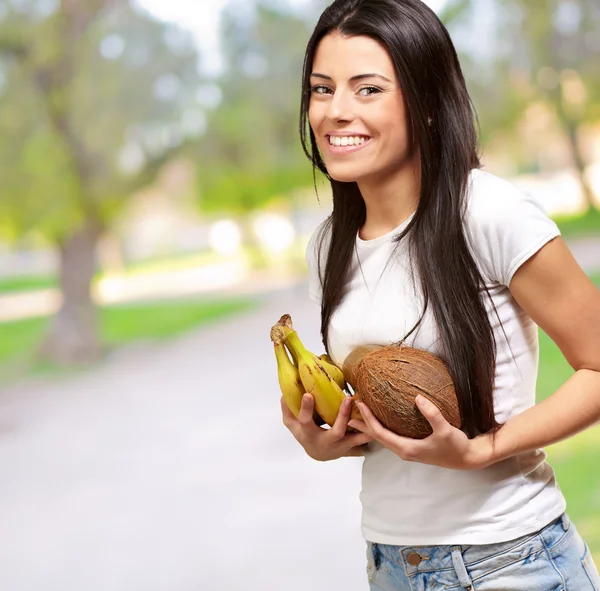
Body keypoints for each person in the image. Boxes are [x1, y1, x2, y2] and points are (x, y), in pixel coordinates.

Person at [279, 0, 600, 589]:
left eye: (367, 89)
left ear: (425, 102)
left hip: (511, 560)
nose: (335, 111)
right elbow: (394, 421)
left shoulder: (490, 212)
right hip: (392, 562)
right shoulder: (328, 247)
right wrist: (331, 441)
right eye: (321, 90)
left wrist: (485, 450)